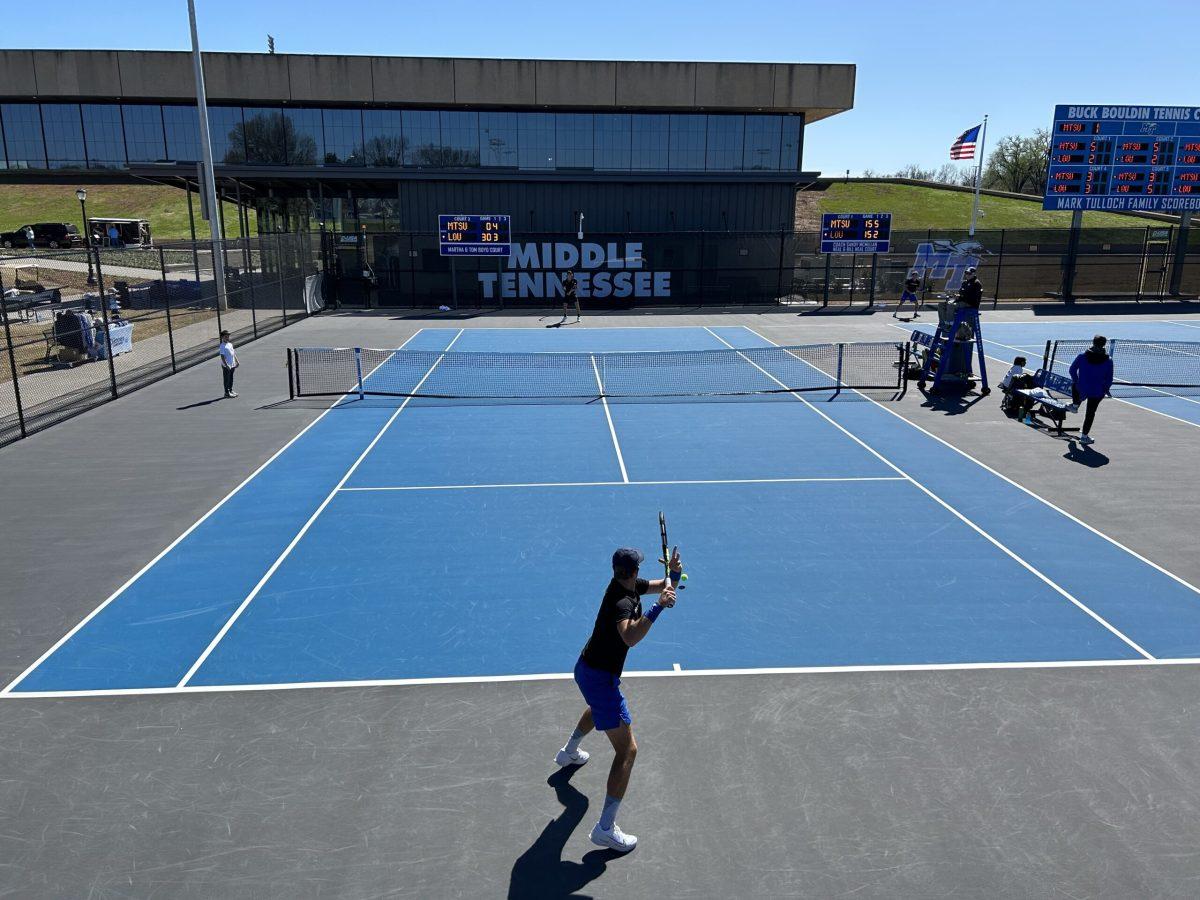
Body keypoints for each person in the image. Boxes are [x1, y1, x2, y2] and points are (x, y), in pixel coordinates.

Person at [556, 545, 682, 853]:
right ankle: (605, 829)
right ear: (634, 571)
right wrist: (658, 608)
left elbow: (664, 586)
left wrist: (674, 573)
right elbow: (630, 637)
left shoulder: (627, 585)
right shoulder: (622, 601)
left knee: (598, 708)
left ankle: (568, 752)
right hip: (599, 678)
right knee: (627, 751)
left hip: (586, 668)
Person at [1069, 335, 1114, 445]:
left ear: (1093, 342)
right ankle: (1084, 437)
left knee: (1075, 385)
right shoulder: (1108, 360)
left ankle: (1075, 405)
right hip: (1097, 391)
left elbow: (1072, 370)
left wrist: (1077, 381)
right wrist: (1105, 389)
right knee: (1090, 413)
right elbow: (1109, 379)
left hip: (1082, 388)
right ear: (1104, 344)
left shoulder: (1082, 356)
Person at [1000, 355, 1036, 422]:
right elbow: (1018, 380)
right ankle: (1025, 407)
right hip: (1009, 387)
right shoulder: (1019, 369)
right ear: (1021, 362)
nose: (1025, 363)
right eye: (1024, 362)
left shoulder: (1014, 367)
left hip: (1005, 385)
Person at [219, 330, 239, 398]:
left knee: (231, 378)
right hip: (226, 366)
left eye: (228, 336)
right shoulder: (222, 346)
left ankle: (230, 390)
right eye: (226, 336)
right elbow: (222, 357)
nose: (227, 337)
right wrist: (226, 365)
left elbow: (233, 353)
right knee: (226, 379)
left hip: (232, 364)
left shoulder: (230, 344)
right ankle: (226, 393)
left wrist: (237, 361)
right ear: (222, 337)